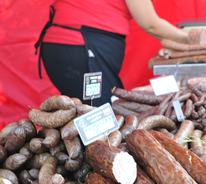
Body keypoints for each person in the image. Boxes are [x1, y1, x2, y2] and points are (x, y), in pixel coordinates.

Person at [35, 0, 193, 106]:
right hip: (81, 46)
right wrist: (191, 38)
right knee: (101, 116)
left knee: (87, 112)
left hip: (65, 46)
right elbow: (151, 24)